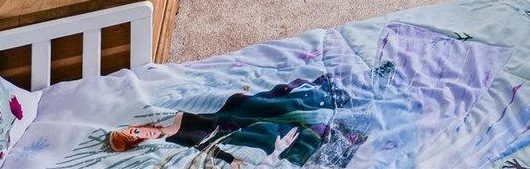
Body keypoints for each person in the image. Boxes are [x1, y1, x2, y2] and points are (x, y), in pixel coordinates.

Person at [106, 75, 351, 165]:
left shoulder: (165, 115)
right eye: (135, 139)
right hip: (235, 130)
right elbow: (209, 148)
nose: (141, 135)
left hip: (230, 110)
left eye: (135, 131)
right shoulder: (175, 140)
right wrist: (234, 160)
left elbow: (204, 104)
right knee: (281, 129)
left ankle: (332, 97)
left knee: (277, 103)